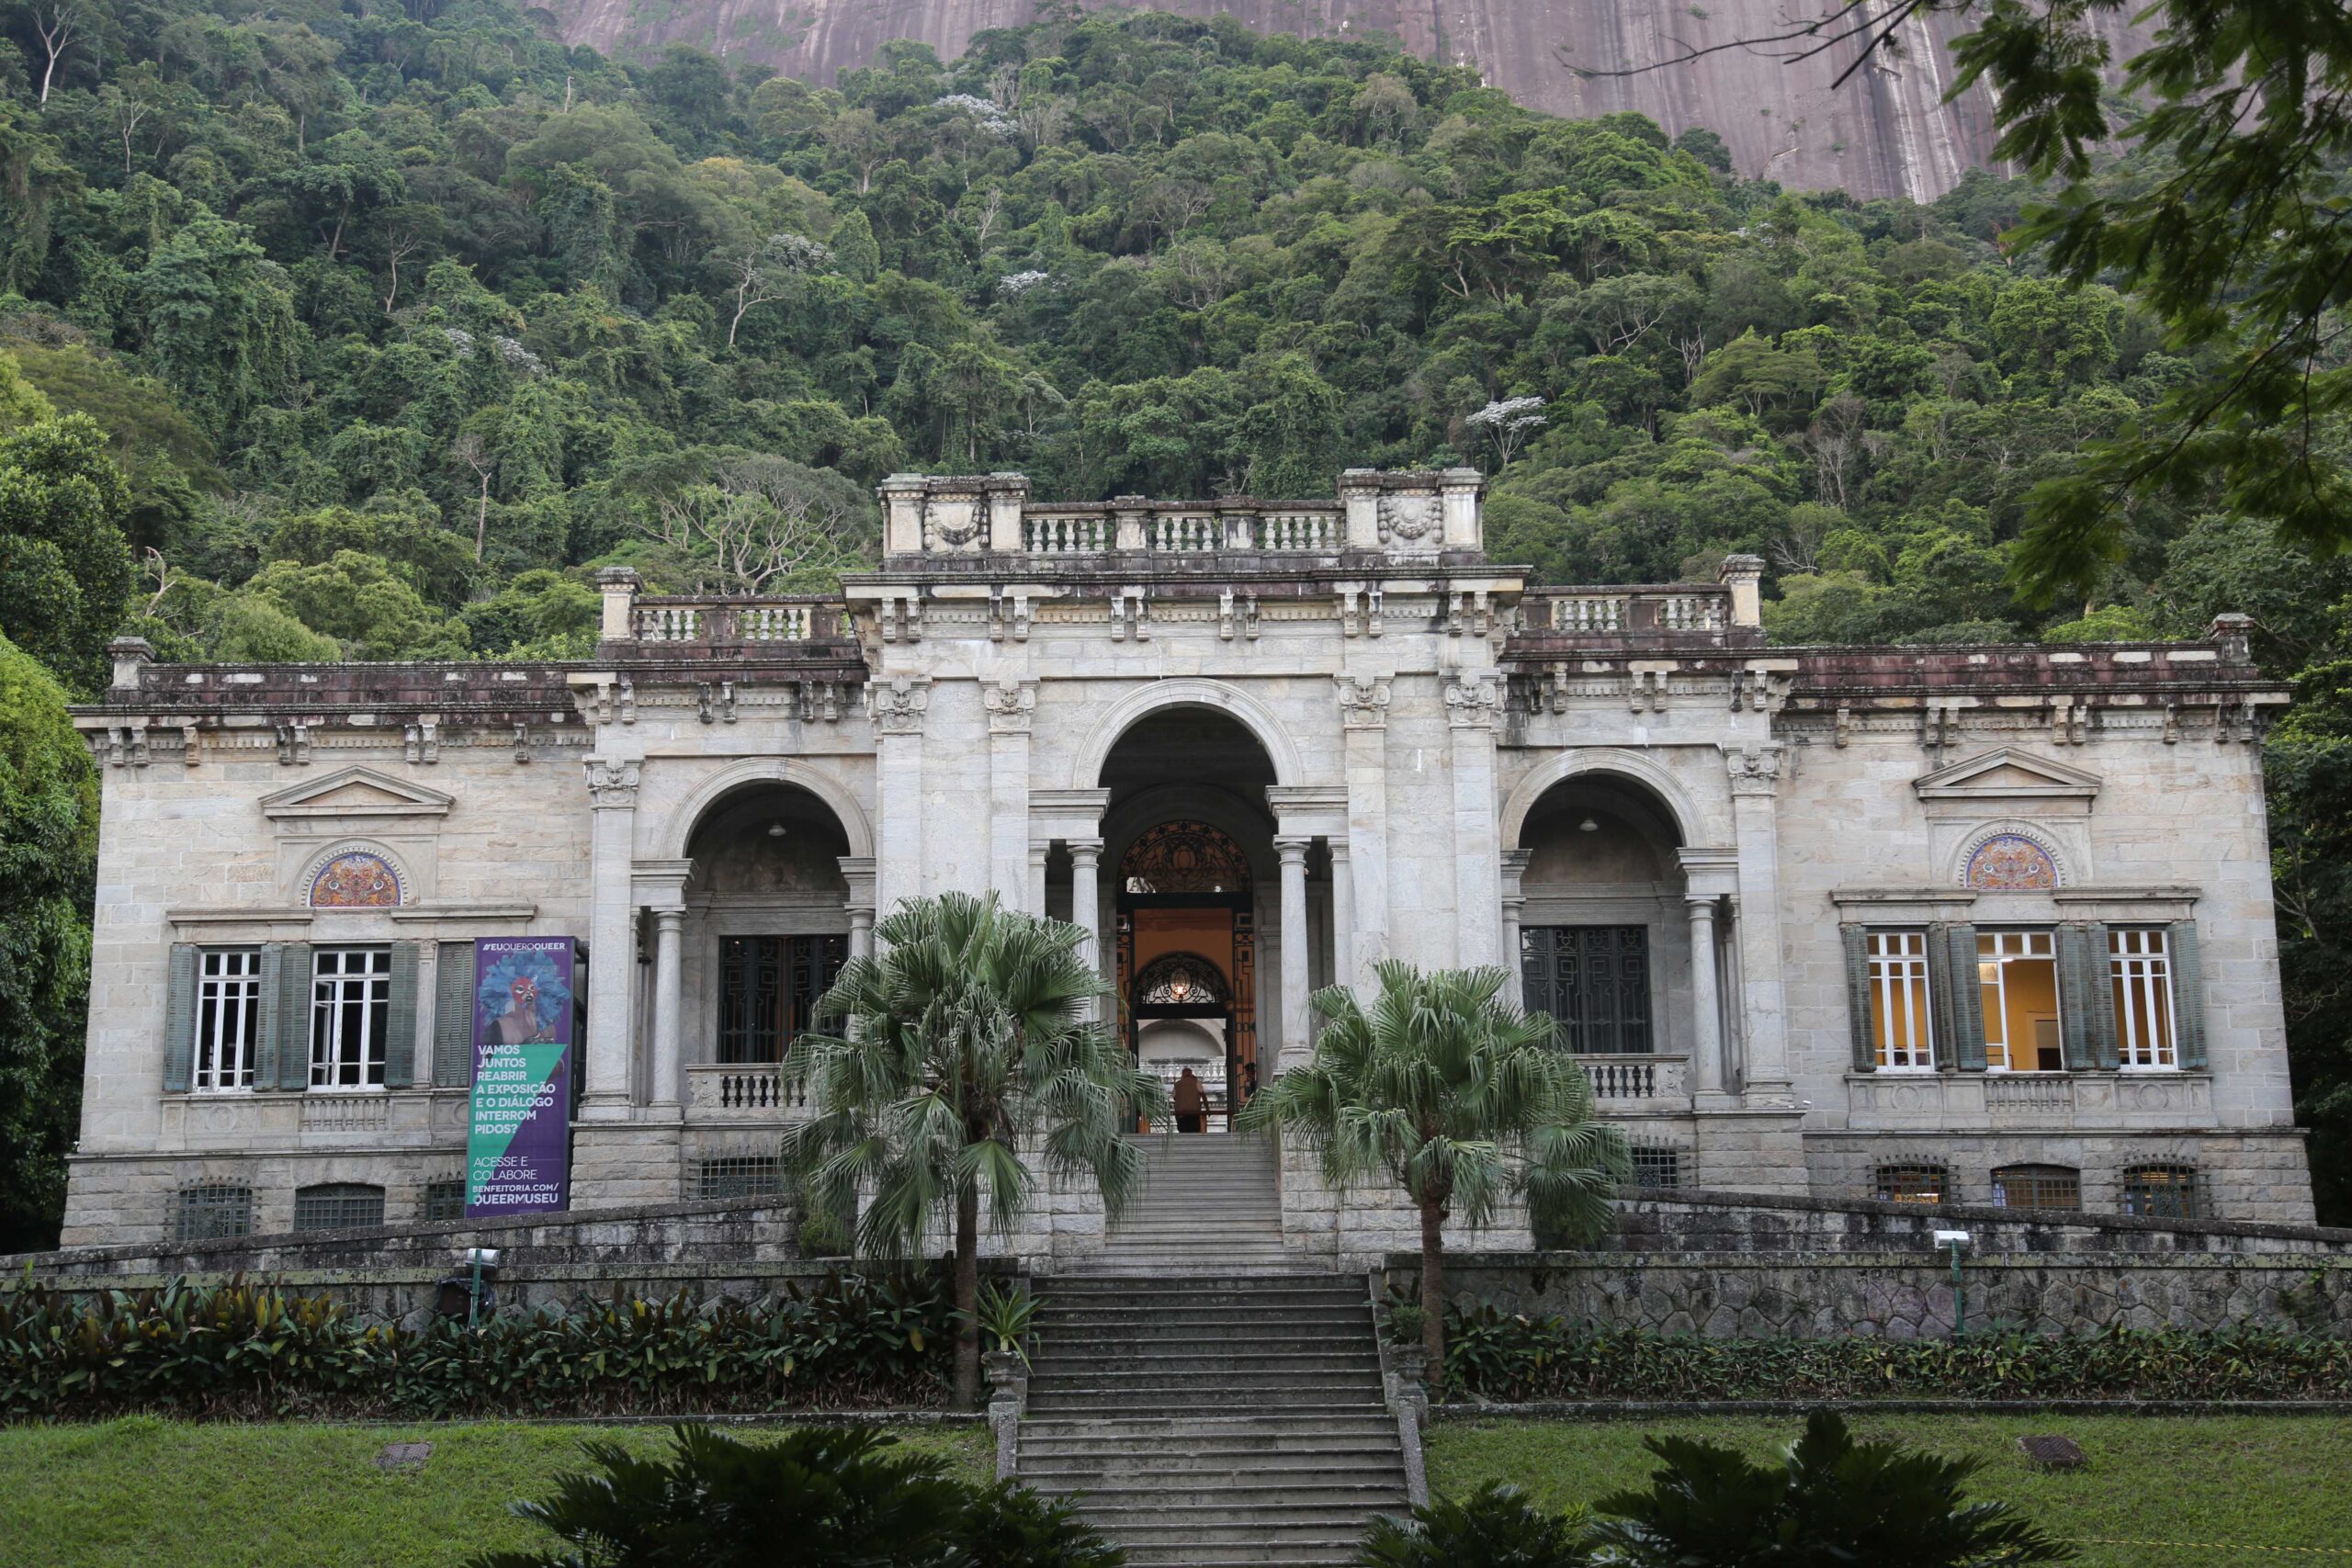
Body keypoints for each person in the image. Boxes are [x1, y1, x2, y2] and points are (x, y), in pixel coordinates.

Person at [1173, 1066, 1204, 1134]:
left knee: (1183, 1132)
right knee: (1195, 1131)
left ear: (1182, 1074)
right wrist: (1208, 1109)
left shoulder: (1177, 1084)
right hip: (1194, 1113)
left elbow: (1174, 1097)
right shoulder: (1196, 1082)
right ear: (1191, 1074)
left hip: (1181, 1113)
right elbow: (1203, 1095)